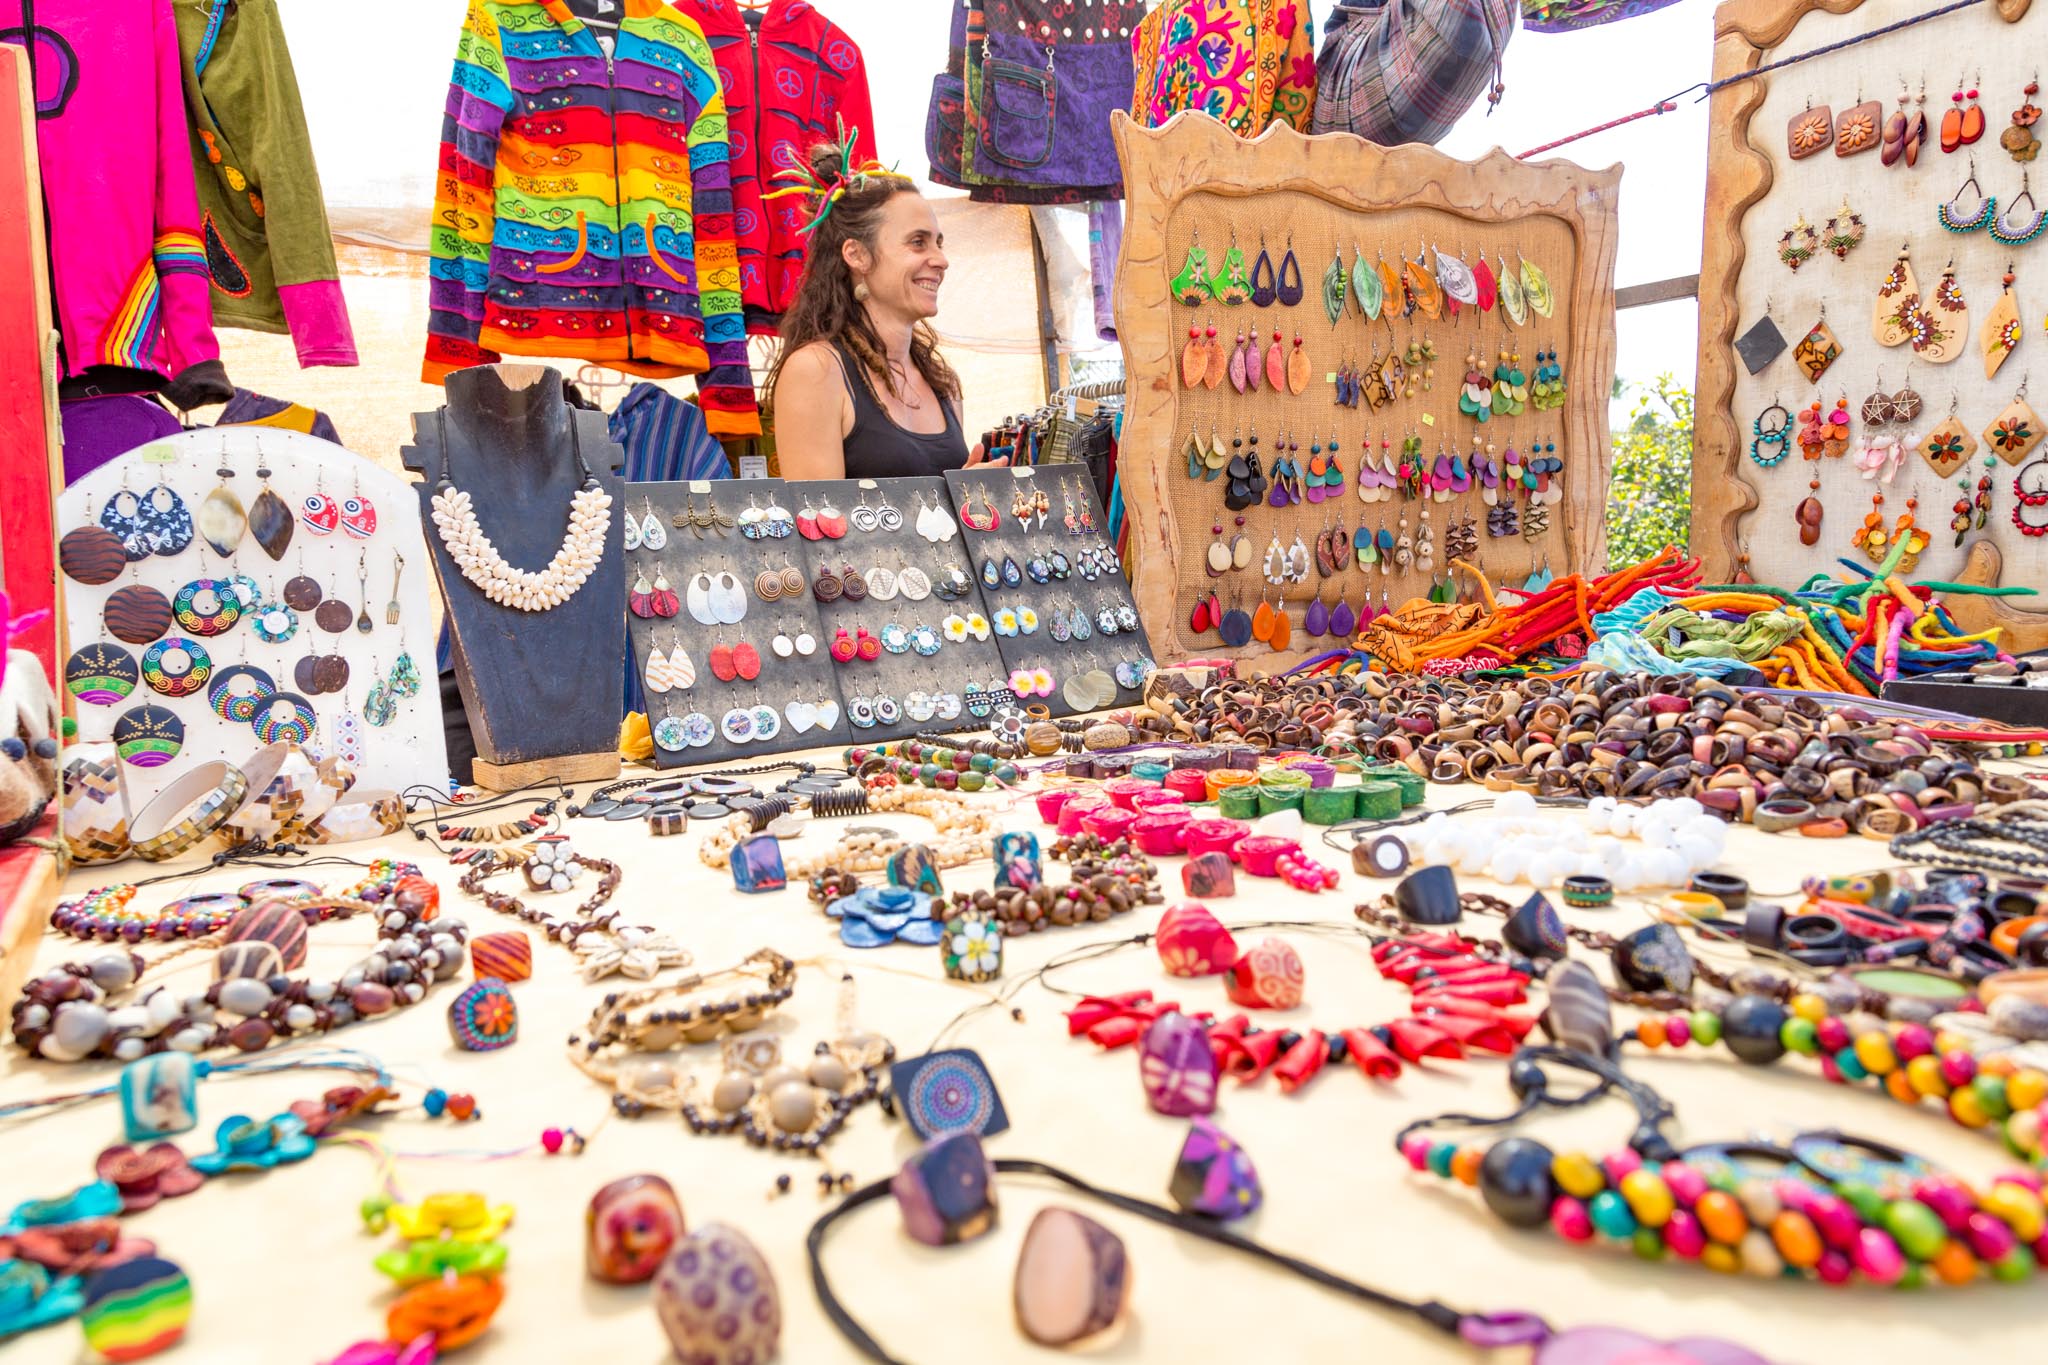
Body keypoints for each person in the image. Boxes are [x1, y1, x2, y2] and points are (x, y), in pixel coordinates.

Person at [765, 137, 1005, 480]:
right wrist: (951, 499)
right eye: (918, 242)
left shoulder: (942, 381)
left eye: (938, 243)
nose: (941, 260)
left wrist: (969, 493)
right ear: (857, 255)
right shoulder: (816, 371)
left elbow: (941, 506)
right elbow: (818, 514)